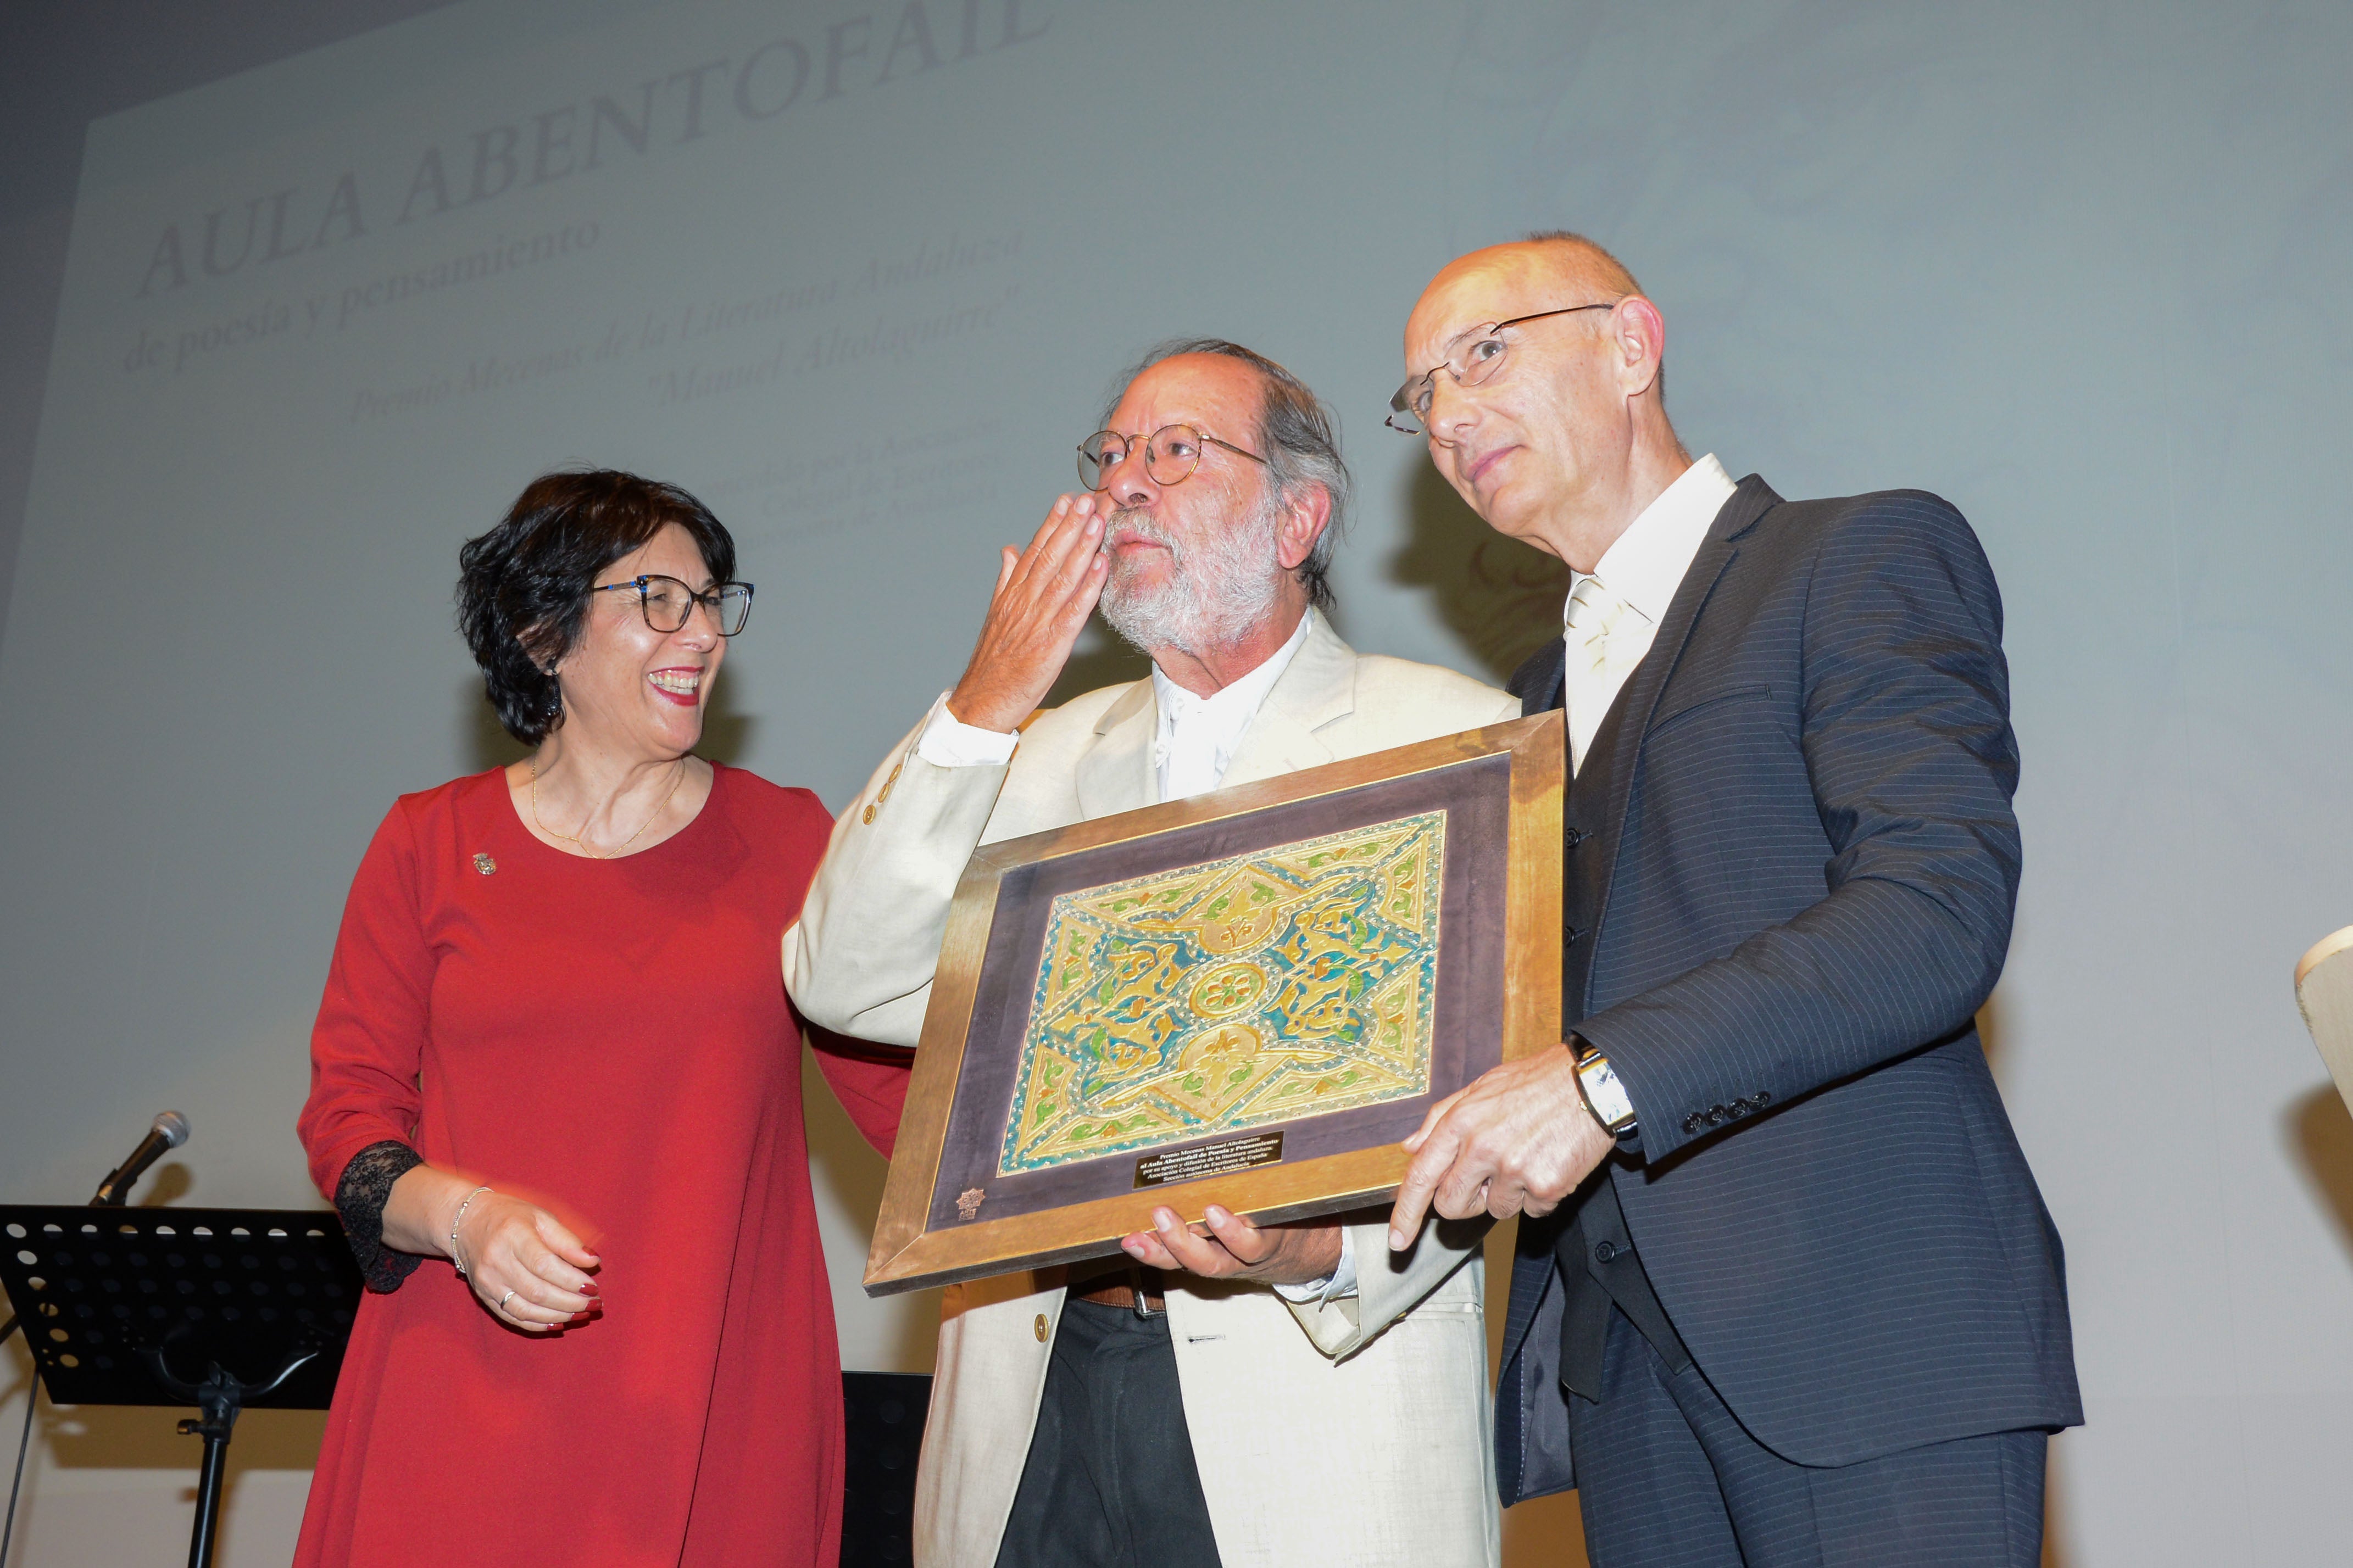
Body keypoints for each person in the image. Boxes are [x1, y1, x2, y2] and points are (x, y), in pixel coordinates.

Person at [1383, 234, 2083, 1565]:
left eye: (1485, 355)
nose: (1452, 414)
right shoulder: (1531, 701)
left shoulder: (1855, 556)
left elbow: (1935, 909)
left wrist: (1600, 1084)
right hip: (1623, 1378)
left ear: (1632, 346)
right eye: (1422, 396)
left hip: (1862, 1335)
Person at [785, 339, 1522, 1567]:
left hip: (1310, 1396)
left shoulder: (1454, 737)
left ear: (1298, 519)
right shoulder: (1026, 751)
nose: (1125, 482)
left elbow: (1501, 1111)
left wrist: (1322, 1252)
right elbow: (839, 976)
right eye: (1112, 455)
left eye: (1177, 451)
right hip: (1034, 1398)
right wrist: (981, 704)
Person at [293, 470, 908, 1567]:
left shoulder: (788, 841)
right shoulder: (426, 844)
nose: (704, 633)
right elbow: (348, 1122)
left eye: (715, 600)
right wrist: (470, 1220)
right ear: (544, 635)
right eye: (660, 599)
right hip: (454, 1397)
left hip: (713, 1405)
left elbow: (907, 1109)